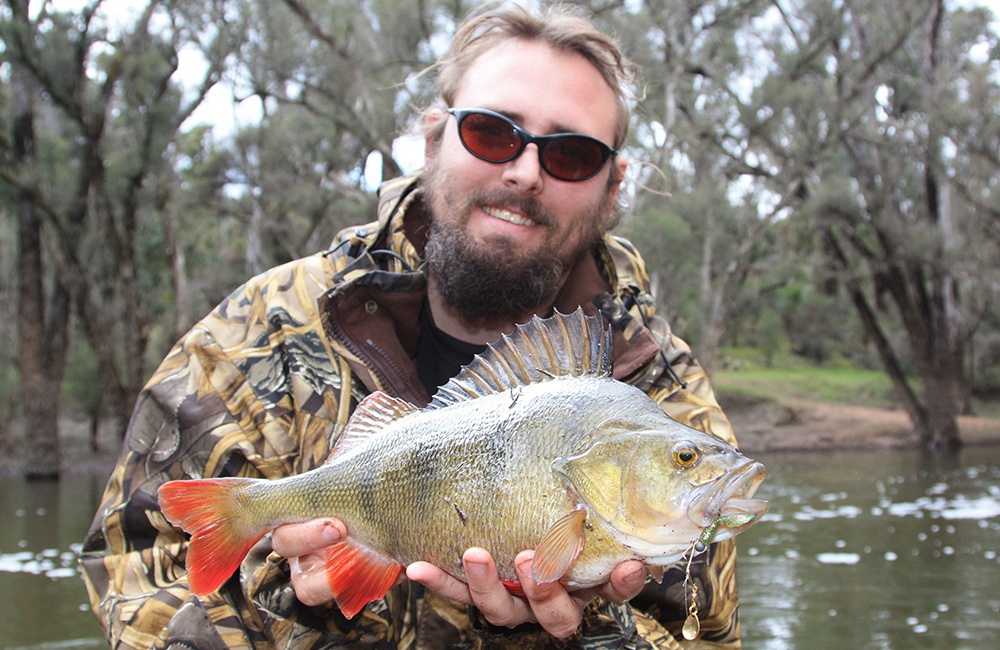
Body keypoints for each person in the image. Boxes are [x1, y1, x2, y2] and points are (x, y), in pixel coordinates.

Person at [80, 2, 744, 648]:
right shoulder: (263, 334)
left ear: (612, 187)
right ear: (433, 140)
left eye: (570, 154)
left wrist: (571, 633)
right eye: (492, 132)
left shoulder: (657, 386)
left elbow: (707, 636)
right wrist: (293, 605)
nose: (523, 172)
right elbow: (137, 576)